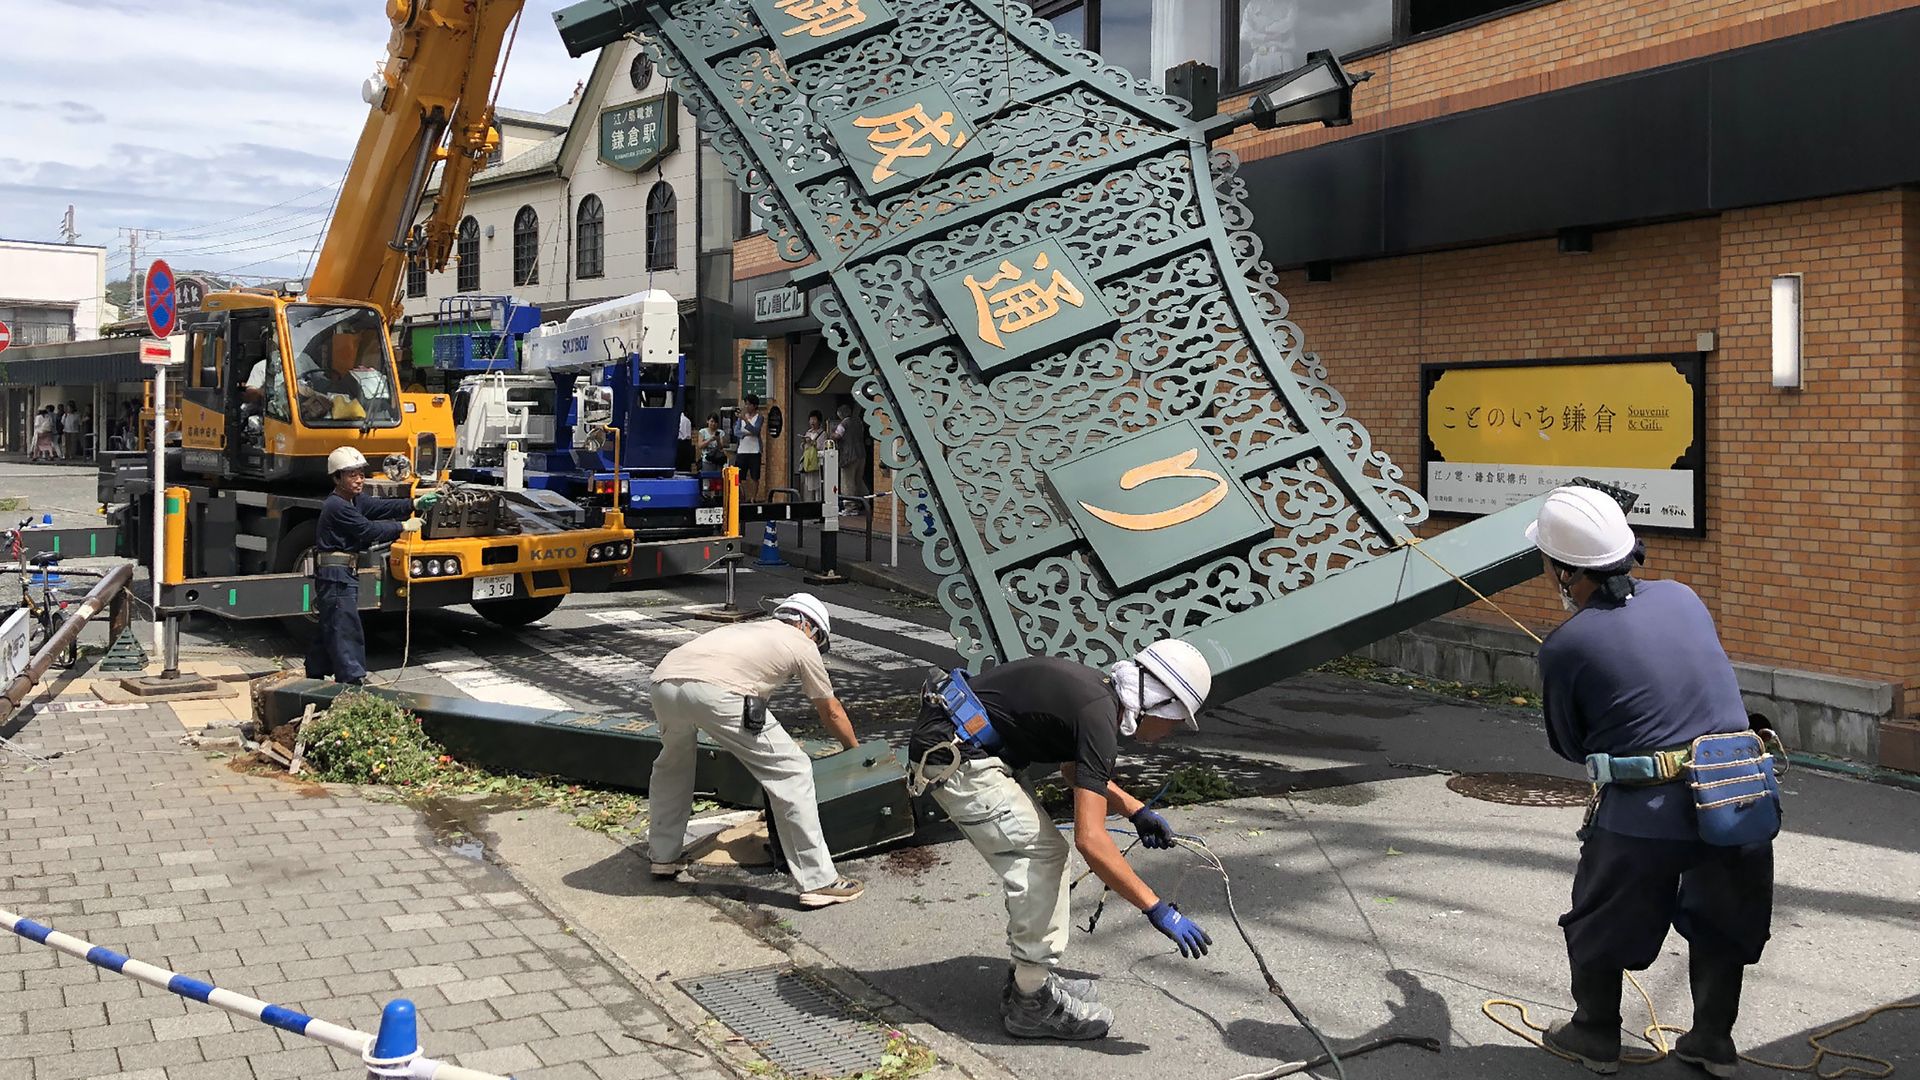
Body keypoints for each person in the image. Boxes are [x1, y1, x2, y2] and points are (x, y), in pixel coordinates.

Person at [1530, 485, 1778, 1077]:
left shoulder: (1567, 645)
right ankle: (1712, 1042)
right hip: (1739, 797)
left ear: (1566, 572)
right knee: (1724, 919)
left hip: (1646, 811)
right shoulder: (1683, 597)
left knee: (1599, 918)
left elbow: (1571, 745)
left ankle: (1593, 1034)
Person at [907, 640, 1216, 1039]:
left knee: (1044, 853)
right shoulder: (1099, 716)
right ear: (1161, 702)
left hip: (962, 741)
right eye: (1176, 720)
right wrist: (1157, 909)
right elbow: (1091, 840)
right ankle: (1030, 1003)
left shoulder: (1095, 692)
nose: (1171, 731)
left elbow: (1075, 773)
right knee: (1046, 858)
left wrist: (1135, 811)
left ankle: (1028, 981)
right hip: (956, 756)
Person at [646, 594, 866, 908]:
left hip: (663, 683)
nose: (816, 646)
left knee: (673, 766)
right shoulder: (801, 643)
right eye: (819, 639)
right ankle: (820, 881)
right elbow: (830, 710)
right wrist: (853, 750)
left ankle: (663, 856)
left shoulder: (750, 630)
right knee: (792, 768)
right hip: (716, 691)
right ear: (809, 626)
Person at [306, 447, 438, 686]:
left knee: (332, 623)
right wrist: (403, 526)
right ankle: (352, 681)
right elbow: (367, 530)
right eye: (351, 475)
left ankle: (314, 673)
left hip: (341, 573)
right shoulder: (337, 506)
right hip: (336, 574)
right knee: (345, 627)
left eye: (360, 474)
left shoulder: (355, 500)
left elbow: (381, 507)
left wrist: (414, 502)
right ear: (337, 478)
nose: (358, 479)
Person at [832, 403, 867, 509]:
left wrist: (831, 434)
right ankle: (866, 501)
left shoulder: (843, 424)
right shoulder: (858, 422)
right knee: (858, 480)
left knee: (848, 482)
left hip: (848, 456)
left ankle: (850, 506)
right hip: (861, 454)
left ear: (840, 414)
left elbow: (838, 436)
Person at [732, 394, 764, 500]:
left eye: (749, 404)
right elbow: (736, 432)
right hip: (742, 450)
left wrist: (746, 421)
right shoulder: (740, 418)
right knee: (739, 476)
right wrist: (745, 434)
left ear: (754, 405)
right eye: (746, 404)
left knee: (755, 476)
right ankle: (742, 495)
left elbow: (756, 431)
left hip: (754, 451)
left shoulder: (759, 417)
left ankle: (753, 498)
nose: (747, 406)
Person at [797, 410, 828, 503]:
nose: (812, 422)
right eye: (811, 420)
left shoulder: (823, 434)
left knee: (817, 486)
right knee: (807, 486)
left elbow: (822, 447)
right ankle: (808, 505)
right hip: (808, 462)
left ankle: (818, 504)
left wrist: (813, 443)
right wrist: (803, 443)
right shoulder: (808, 432)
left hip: (817, 463)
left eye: (814, 419)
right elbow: (803, 448)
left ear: (819, 421)